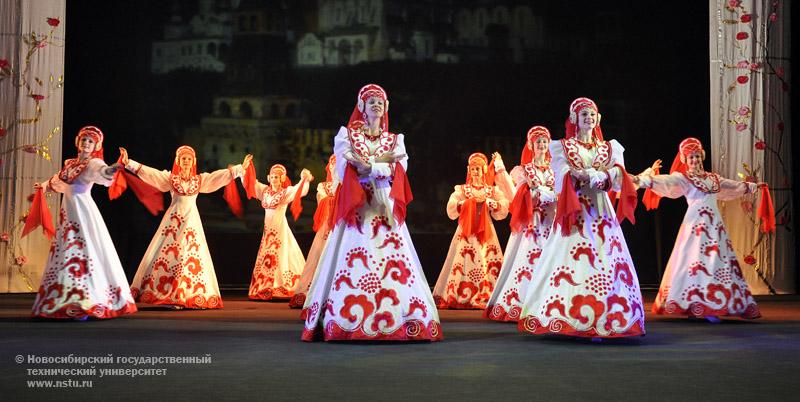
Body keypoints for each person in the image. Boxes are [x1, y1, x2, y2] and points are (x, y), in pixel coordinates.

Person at [301, 84, 442, 341]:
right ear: (362, 108)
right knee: (353, 258)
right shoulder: (346, 136)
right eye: (371, 101)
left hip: (384, 208)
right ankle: (348, 320)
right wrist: (382, 163)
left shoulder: (396, 140)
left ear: (386, 108)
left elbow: (399, 171)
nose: (376, 104)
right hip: (358, 209)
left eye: (380, 101)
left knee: (395, 261)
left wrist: (369, 166)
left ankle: (399, 319)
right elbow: (345, 170)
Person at [517, 97, 646, 339]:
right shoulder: (561, 147)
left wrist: (595, 176)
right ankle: (567, 316)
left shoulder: (611, 147)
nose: (588, 118)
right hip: (575, 211)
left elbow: (619, 175)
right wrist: (583, 175)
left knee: (607, 257)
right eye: (583, 114)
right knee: (569, 259)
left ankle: (607, 317)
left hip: (601, 210)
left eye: (592, 114)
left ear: (598, 119)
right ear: (575, 119)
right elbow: (562, 173)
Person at [635, 137, 763, 321]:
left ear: (701, 156)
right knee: (694, 262)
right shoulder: (684, 178)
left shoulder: (713, 178)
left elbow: (731, 185)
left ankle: (713, 302)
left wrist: (751, 187)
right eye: (690, 158)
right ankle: (695, 303)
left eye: (696, 156)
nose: (695, 160)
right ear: (685, 161)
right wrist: (645, 179)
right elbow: (667, 181)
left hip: (714, 225)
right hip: (695, 225)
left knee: (716, 261)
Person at [119, 145, 247, 309]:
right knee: (170, 253)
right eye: (183, 159)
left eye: (188, 159)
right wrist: (129, 163)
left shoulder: (199, 180)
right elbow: (152, 174)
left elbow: (218, 177)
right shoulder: (171, 179)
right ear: (178, 161)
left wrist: (238, 169)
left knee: (190, 252)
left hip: (191, 221)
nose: (186, 161)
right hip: (174, 220)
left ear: (193, 161)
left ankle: (188, 293)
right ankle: (167, 291)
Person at [30, 126, 137, 319]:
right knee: (66, 252)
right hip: (68, 214)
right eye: (84, 140)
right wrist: (44, 186)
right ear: (78, 142)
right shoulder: (70, 163)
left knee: (84, 252)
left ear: (96, 145)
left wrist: (115, 167)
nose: (86, 143)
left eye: (90, 141)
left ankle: (86, 300)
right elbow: (58, 180)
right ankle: (64, 300)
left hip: (83, 213)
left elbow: (103, 172)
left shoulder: (92, 163)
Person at [485, 126, 556, 321]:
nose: (542, 145)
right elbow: (517, 196)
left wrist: (546, 195)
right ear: (531, 145)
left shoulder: (555, 169)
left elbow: (560, 194)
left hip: (551, 221)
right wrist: (536, 193)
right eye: (538, 142)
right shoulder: (523, 170)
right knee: (529, 258)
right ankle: (521, 302)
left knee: (552, 259)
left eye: (544, 141)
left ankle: (550, 303)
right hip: (532, 223)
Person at [432, 152, 508, 309]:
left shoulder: (491, 191)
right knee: (463, 259)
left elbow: (503, 205)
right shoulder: (462, 189)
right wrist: (467, 203)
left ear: (484, 170)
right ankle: (460, 294)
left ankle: (487, 293)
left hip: (486, 232)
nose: (475, 172)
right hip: (466, 232)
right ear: (469, 170)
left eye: (479, 168)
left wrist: (489, 203)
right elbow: (451, 206)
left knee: (486, 258)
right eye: (473, 169)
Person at [242, 161, 313, 301]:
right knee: (266, 255)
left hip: (279, 228)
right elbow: (251, 183)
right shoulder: (264, 191)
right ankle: (265, 286)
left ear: (282, 178)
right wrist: (244, 170)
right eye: (272, 176)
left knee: (283, 255)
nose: (274, 179)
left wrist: (305, 178)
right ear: (269, 178)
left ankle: (282, 286)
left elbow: (299, 190)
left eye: (277, 177)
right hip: (268, 231)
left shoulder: (285, 193)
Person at [290, 155, 337, 309]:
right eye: (332, 165)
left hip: (341, 226)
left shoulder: (347, 186)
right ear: (329, 168)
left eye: (338, 164)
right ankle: (310, 292)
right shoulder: (323, 186)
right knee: (318, 256)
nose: (334, 167)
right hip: (326, 226)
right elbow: (323, 202)